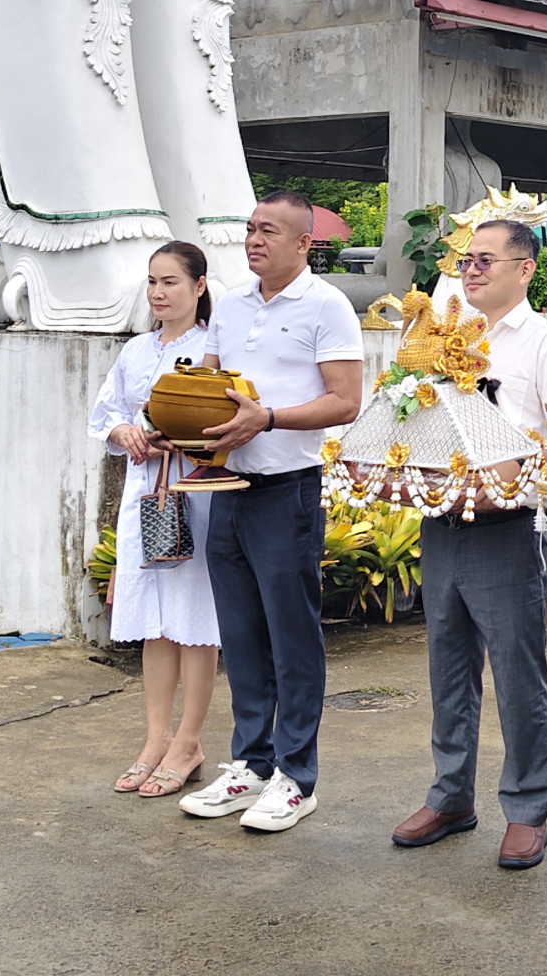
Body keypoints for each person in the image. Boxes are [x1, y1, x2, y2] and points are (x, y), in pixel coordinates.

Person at [178, 192, 364, 831]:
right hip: (227, 488)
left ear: (303, 243)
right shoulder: (229, 305)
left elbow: (345, 401)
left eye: (269, 231)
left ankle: (296, 776)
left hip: (288, 490)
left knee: (291, 637)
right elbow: (208, 384)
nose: (255, 240)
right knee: (241, 635)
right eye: (250, 230)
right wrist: (185, 419)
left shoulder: (327, 305)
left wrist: (271, 418)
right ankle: (251, 764)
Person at [393, 219, 547, 869]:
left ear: (524, 269)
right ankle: (450, 796)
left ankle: (527, 809)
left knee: (518, 676)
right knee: (447, 670)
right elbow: (410, 414)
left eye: (484, 262)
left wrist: (510, 474)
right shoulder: (445, 334)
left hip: (505, 528)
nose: (469, 272)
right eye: (466, 262)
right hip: (440, 521)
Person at [90, 243, 221, 798]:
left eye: (170, 281)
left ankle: (189, 741)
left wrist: (180, 434)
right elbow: (107, 413)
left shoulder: (214, 347)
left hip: (194, 492)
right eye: (152, 282)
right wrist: (124, 433)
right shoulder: (136, 350)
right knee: (151, 618)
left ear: (199, 286)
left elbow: (226, 414)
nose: (159, 293)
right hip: (146, 492)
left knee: (193, 617)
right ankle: (154, 738)